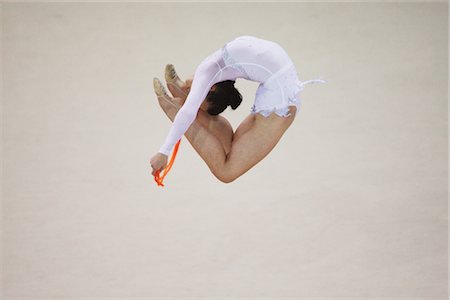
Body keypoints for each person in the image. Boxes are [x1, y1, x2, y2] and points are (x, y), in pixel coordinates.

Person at [150, 35, 325, 183]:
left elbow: (188, 111)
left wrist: (164, 152)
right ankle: (176, 102)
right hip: (280, 91)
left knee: (226, 170)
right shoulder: (212, 69)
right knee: (227, 162)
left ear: (212, 88)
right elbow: (189, 110)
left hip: (279, 95)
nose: (195, 104)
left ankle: (175, 106)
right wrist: (164, 150)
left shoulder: (208, 69)